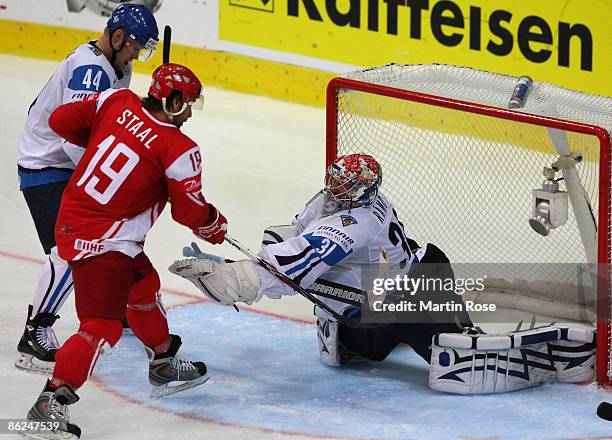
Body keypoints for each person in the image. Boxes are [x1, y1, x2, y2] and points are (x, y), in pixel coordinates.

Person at [172, 153, 596, 395]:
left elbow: (294, 264)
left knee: (455, 358)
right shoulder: (337, 198)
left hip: (417, 294)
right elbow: (296, 236)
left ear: (362, 193)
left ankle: (540, 353)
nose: (333, 194)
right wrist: (241, 263)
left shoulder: (358, 223)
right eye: (332, 184)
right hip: (375, 301)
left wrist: (231, 279)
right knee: (359, 351)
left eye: (342, 190)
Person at [22, 63, 227, 440]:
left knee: (144, 285)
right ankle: (50, 404)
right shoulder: (179, 149)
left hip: (75, 216)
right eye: (187, 106)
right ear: (174, 99)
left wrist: (109, 135)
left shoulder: (117, 100)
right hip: (105, 240)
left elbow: (63, 119)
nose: (188, 115)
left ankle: (163, 364)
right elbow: (189, 211)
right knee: (100, 326)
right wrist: (213, 223)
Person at [16, 3, 159, 375]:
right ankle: (35, 334)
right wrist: (106, 183)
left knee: (114, 239)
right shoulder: (92, 69)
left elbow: (106, 121)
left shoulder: (117, 66)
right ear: (117, 37)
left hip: (65, 166)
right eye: (135, 46)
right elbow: (71, 134)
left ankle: (115, 306)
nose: (136, 55)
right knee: (68, 253)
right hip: (47, 167)